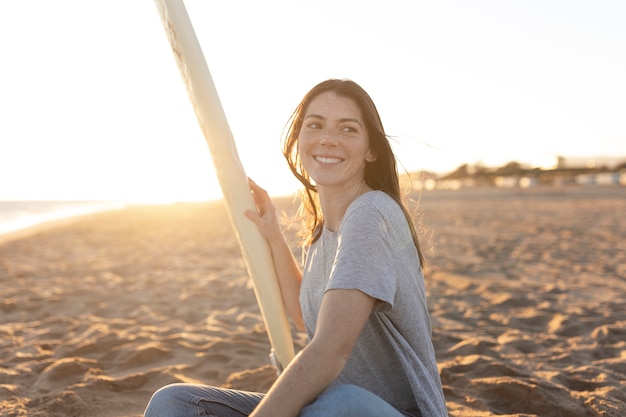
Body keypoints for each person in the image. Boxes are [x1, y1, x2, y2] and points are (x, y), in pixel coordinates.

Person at [144, 79, 448, 417]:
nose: (328, 139)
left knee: (339, 402)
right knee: (174, 403)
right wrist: (274, 237)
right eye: (315, 125)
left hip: (394, 411)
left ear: (370, 150)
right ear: (299, 139)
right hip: (329, 408)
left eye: (348, 129)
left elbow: (331, 348)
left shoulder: (370, 213)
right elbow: (307, 319)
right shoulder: (323, 233)